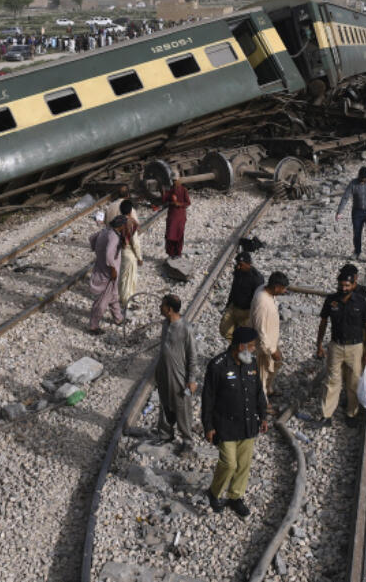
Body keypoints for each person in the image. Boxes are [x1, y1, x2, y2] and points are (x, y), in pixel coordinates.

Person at [200, 326, 269, 518]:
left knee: (243, 464)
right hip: (226, 425)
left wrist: (263, 416)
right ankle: (214, 492)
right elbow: (208, 398)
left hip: (248, 424)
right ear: (241, 346)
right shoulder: (217, 366)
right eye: (252, 346)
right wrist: (208, 426)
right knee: (229, 464)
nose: (254, 349)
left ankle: (235, 496)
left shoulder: (251, 364)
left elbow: (258, 392)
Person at [314, 263, 366, 427]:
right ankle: (326, 415)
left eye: (347, 285)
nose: (344, 288)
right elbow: (323, 323)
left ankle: (351, 413)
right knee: (332, 381)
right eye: (341, 285)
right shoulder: (331, 300)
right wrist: (319, 345)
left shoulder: (361, 302)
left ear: (354, 285)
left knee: (353, 382)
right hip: (336, 346)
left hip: (355, 348)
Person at [152, 294, 196, 450]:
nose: (160, 308)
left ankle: (187, 440)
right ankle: (165, 434)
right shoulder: (165, 324)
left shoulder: (186, 329)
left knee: (182, 407)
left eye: (162, 305)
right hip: (163, 372)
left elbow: (192, 356)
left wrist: (191, 379)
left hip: (179, 375)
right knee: (165, 403)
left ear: (169, 309)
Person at [249, 271, 288, 403]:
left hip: (272, 340)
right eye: (283, 288)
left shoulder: (263, 290)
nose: (284, 291)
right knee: (263, 374)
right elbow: (260, 329)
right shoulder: (262, 302)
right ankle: (262, 404)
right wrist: (271, 350)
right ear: (276, 287)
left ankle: (269, 389)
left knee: (276, 365)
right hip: (265, 344)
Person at [86, 213, 124, 334]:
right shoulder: (114, 237)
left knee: (113, 296)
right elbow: (109, 254)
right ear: (121, 226)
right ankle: (93, 326)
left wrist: (98, 253)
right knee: (102, 302)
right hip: (108, 274)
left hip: (101, 267)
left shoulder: (105, 231)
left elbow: (92, 238)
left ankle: (118, 318)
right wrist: (112, 269)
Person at [335, 165, 366, 260]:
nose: (363, 180)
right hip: (357, 212)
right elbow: (345, 197)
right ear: (359, 176)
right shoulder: (353, 184)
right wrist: (339, 211)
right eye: (362, 178)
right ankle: (357, 252)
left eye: (365, 179)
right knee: (357, 233)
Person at [220, 252, 264, 341]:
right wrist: (228, 304)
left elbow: (258, 299)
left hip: (246, 312)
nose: (238, 267)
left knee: (243, 336)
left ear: (249, 264)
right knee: (224, 329)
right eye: (237, 264)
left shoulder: (256, 278)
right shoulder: (238, 271)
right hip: (233, 307)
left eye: (241, 265)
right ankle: (234, 346)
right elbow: (234, 288)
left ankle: (239, 349)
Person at [113, 199, 143, 312]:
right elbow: (135, 243)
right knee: (128, 279)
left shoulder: (117, 221)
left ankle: (123, 298)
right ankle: (127, 302)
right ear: (131, 211)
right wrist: (139, 257)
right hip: (129, 253)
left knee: (122, 277)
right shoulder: (132, 223)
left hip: (119, 251)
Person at [162, 176, 190, 258]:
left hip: (180, 216)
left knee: (179, 235)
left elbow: (188, 203)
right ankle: (171, 253)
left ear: (179, 180)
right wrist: (163, 192)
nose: (174, 182)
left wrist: (179, 204)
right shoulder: (170, 190)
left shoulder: (183, 190)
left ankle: (178, 253)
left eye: (176, 180)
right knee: (170, 235)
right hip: (172, 216)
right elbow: (164, 200)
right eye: (173, 180)